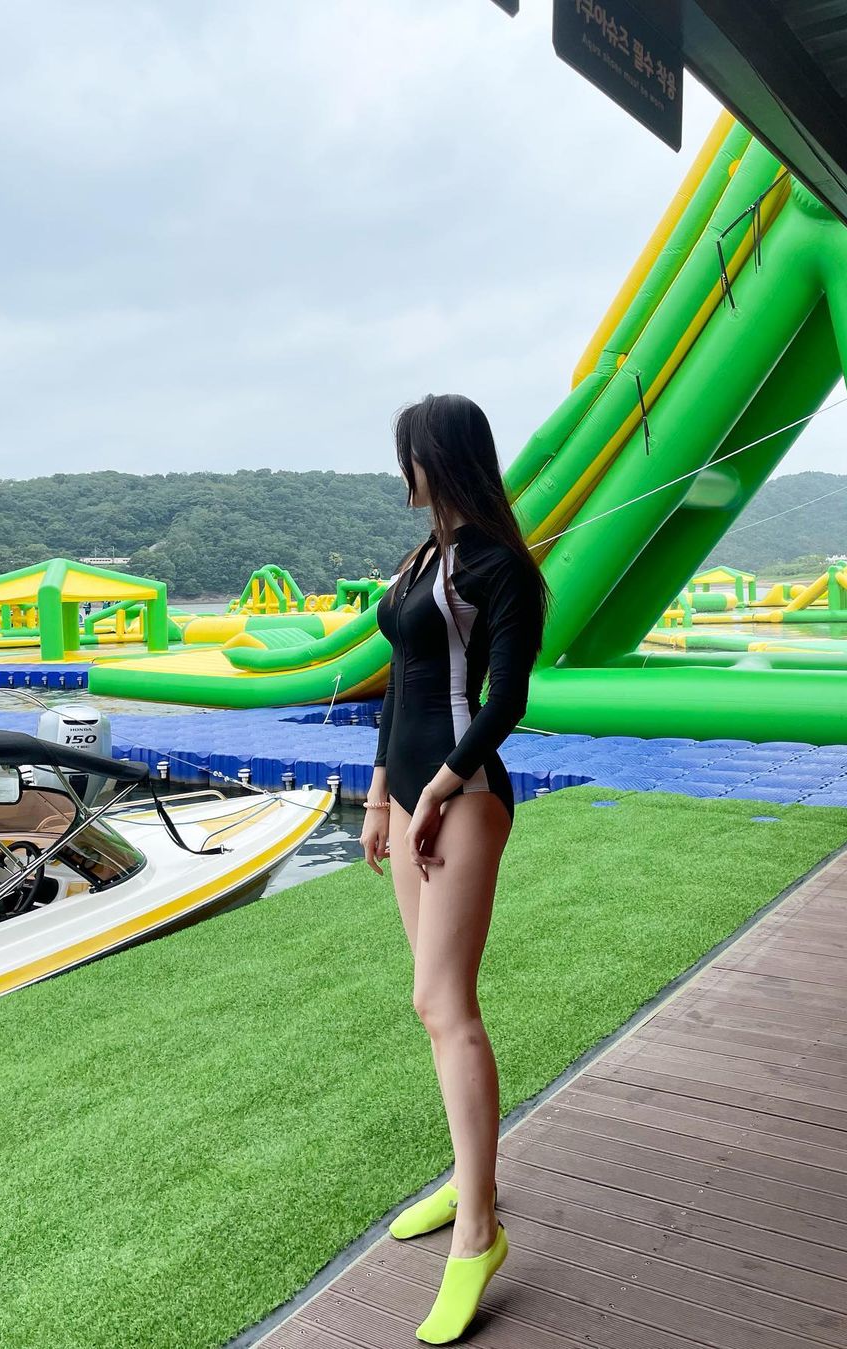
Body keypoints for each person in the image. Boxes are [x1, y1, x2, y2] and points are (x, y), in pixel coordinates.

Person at [361, 392, 549, 1344]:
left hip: (465, 795)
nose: (405, 471)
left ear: (440, 458)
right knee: (431, 1006)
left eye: (411, 454)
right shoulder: (422, 560)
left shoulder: (500, 567)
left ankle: (478, 1233)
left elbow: (506, 700)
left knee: (445, 1005)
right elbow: (399, 688)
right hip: (411, 794)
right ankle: (472, 1184)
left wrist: (437, 789)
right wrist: (379, 795)